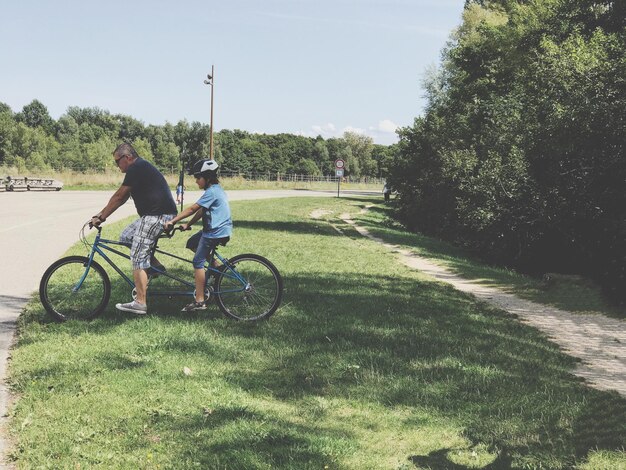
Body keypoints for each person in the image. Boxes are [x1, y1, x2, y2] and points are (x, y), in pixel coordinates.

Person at [91, 142, 177, 315]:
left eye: (117, 161)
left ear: (127, 157)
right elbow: (122, 199)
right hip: (155, 215)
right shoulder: (139, 168)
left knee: (137, 255)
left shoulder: (136, 167)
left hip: (158, 216)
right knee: (126, 236)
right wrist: (102, 215)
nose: (117, 166)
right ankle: (154, 266)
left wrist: (101, 217)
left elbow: (119, 196)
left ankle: (140, 302)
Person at [164, 158, 233, 312]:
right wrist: (188, 224)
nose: (196, 181)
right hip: (217, 229)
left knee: (198, 261)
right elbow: (202, 210)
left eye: (198, 178)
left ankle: (199, 301)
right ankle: (217, 267)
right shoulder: (215, 190)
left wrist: (173, 221)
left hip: (215, 231)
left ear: (207, 178)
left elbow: (192, 209)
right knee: (192, 243)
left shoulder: (212, 192)